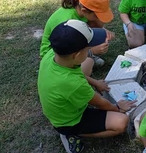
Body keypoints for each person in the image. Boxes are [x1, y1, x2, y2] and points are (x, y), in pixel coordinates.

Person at [38, 20, 137, 153]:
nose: (91, 49)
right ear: (77, 55)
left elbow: (75, 73)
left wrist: (96, 83)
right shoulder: (73, 84)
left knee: (88, 63)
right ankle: (72, 134)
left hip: (60, 109)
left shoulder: (53, 54)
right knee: (121, 122)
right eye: (88, 48)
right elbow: (101, 103)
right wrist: (117, 107)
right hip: (69, 122)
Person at [40, 0, 115, 92]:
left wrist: (103, 29)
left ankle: (88, 55)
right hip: (55, 54)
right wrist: (91, 51)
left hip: (71, 45)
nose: (100, 18)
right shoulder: (68, 20)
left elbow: (93, 24)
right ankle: (88, 57)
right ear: (84, 11)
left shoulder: (80, 9)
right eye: (98, 15)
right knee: (88, 63)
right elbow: (67, 50)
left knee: (89, 60)